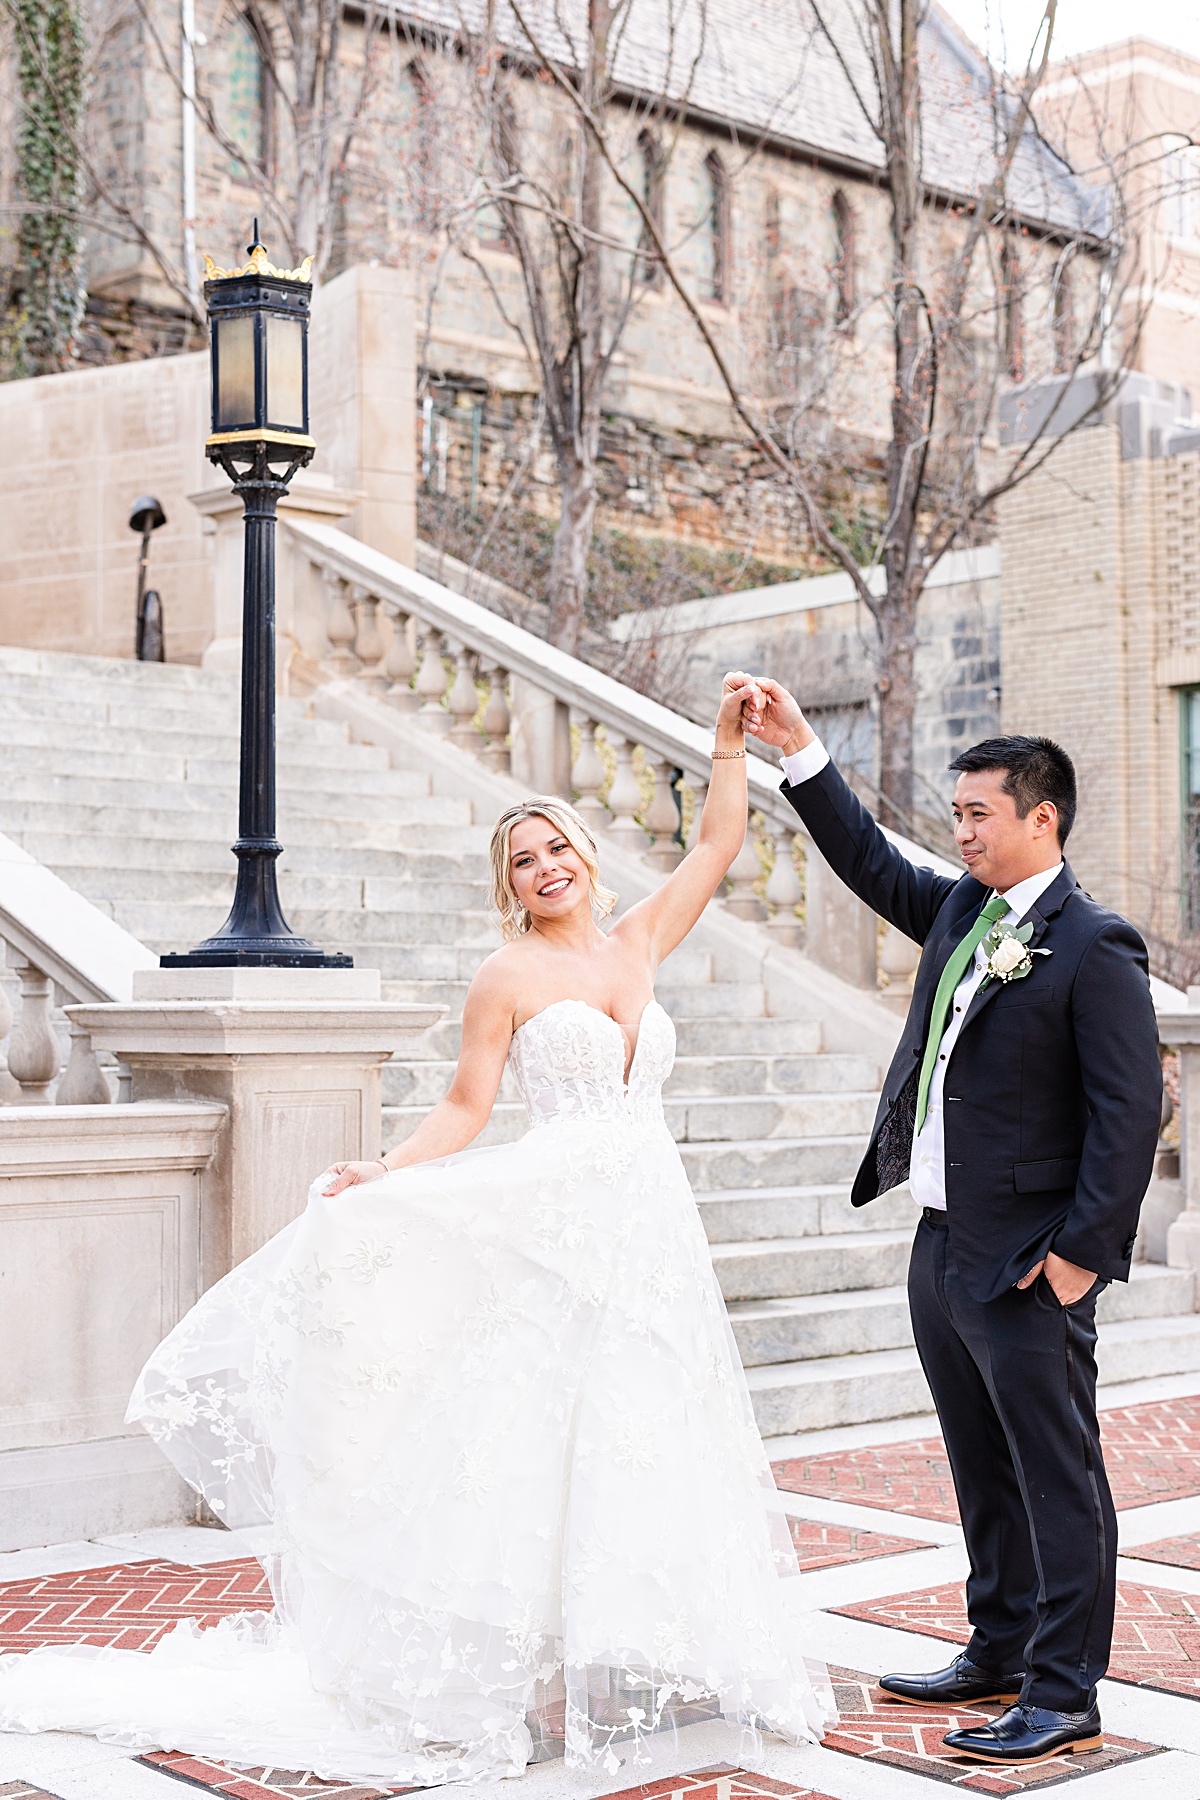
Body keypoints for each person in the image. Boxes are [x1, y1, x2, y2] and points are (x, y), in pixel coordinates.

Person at [0, 672, 832, 1788]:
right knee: (539, 1433)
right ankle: (520, 1668)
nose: (545, 869)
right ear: (511, 887)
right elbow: (465, 1107)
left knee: (644, 1416)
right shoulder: (511, 974)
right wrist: (382, 1171)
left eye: (555, 849)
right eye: (523, 862)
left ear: (586, 852)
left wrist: (731, 740)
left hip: (647, 1225)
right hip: (557, 1218)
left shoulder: (637, 943)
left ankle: (631, 1641)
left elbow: (721, 841)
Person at [744, 678, 1160, 1770]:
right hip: (941, 1242)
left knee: (1057, 1476)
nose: (962, 829)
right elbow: (872, 864)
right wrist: (799, 754)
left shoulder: (1093, 945)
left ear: (1043, 819)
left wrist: (1077, 1260)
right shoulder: (966, 915)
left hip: (1030, 1261)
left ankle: (1065, 1693)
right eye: (960, 811)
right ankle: (1001, 1644)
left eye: (980, 813)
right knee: (980, 1465)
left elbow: (1130, 1117)